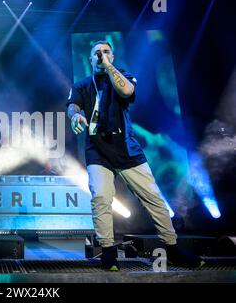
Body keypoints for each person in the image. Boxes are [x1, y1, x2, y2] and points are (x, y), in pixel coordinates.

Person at [66, 40, 204, 271]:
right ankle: (108, 252)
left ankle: (172, 248)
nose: (101, 55)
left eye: (106, 52)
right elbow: (73, 106)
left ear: (113, 55)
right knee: (100, 198)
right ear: (89, 60)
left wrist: (110, 67)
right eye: (96, 53)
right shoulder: (81, 85)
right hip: (98, 151)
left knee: (154, 199)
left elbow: (127, 91)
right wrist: (74, 117)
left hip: (128, 149)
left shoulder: (124, 76)